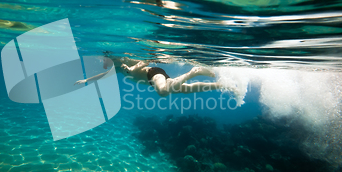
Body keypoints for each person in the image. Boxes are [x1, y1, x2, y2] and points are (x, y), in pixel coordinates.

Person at [74, 56, 227, 97]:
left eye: (106, 59)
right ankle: (219, 84)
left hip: (153, 73)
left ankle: (193, 72)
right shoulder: (119, 68)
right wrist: (86, 80)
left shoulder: (127, 59)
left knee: (162, 92)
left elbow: (145, 61)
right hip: (152, 79)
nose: (105, 61)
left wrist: (133, 67)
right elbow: (104, 75)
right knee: (184, 89)